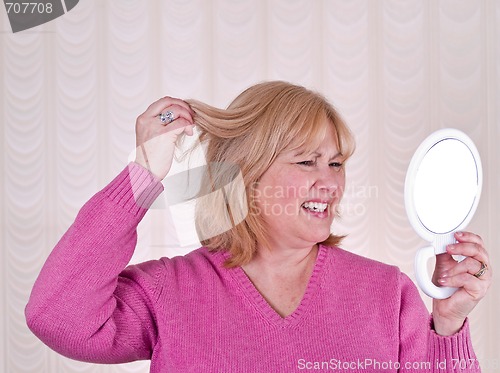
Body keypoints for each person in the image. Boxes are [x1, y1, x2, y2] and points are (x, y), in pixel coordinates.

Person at [26, 81, 491, 372]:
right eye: (307, 161)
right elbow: (57, 318)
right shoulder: (171, 290)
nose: (328, 182)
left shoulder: (388, 293)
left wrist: (447, 326)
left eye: (336, 162)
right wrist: (141, 178)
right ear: (247, 175)